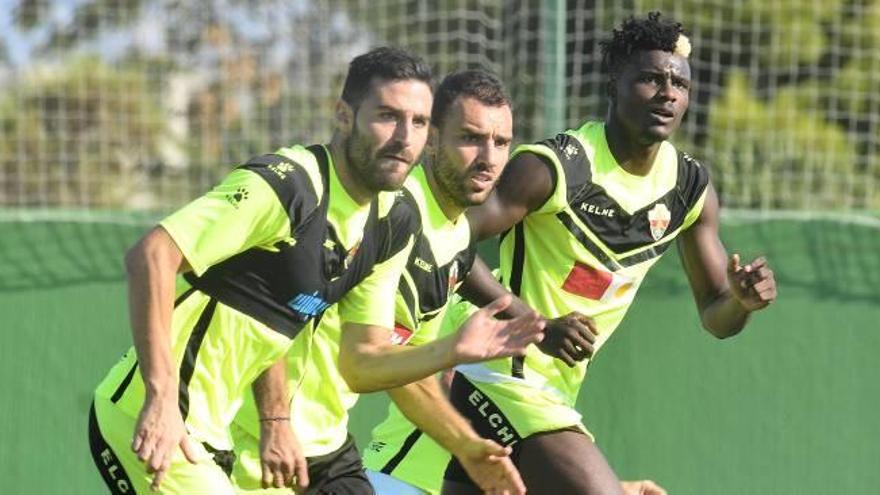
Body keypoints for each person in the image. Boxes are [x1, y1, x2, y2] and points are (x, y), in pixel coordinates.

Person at [88, 47, 541, 494]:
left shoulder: (389, 223)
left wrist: (453, 353)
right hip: (150, 421)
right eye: (387, 115)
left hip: (218, 437)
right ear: (344, 116)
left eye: (418, 122)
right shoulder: (288, 186)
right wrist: (162, 398)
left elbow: (361, 364)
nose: (405, 137)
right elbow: (152, 255)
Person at [431, 12, 776, 495]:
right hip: (501, 377)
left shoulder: (690, 188)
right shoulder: (554, 167)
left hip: (556, 390)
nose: (667, 93)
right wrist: (535, 324)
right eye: (651, 79)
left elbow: (717, 316)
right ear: (614, 81)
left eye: (679, 83)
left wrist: (740, 301)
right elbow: (450, 240)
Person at [230, 69, 540, 495]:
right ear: (431, 139)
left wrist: (466, 444)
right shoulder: (392, 211)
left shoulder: (456, 235)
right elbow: (272, 305)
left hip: (323, 444)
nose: (488, 158)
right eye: (470, 138)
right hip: (256, 439)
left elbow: (405, 363)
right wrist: (275, 421)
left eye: (501, 143)